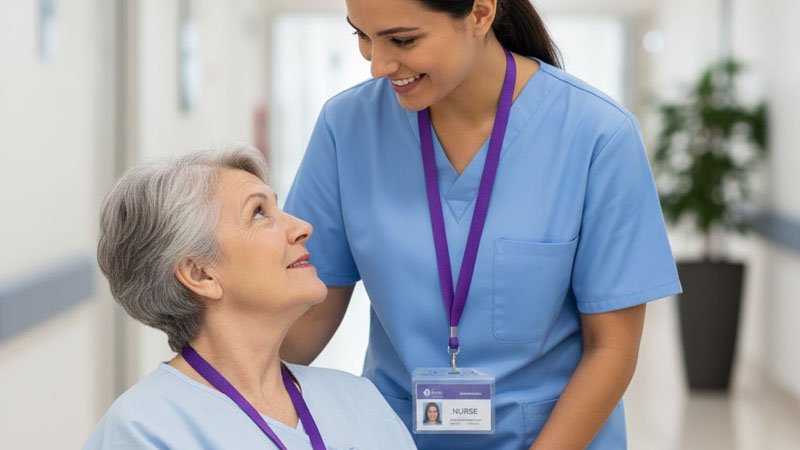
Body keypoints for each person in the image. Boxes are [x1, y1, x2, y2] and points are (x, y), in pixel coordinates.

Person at [282, 0, 683, 448]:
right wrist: (205, 389)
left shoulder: (598, 136)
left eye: (403, 40)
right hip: (396, 435)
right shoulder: (348, 127)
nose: (377, 65)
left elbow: (611, 349)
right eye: (361, 35)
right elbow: (307, 315)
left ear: (479, 12)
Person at [84, 147, 417, 450]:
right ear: (201, 274)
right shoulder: (144, 430)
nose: (303, 227)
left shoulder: (360, 401)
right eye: (258, 213)